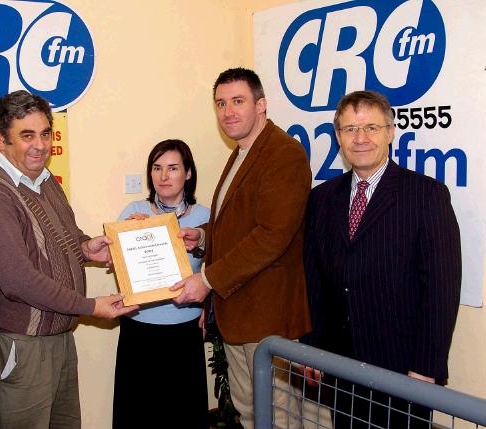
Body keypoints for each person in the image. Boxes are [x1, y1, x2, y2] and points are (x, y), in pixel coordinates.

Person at [0, 90, 137, 429]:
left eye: (45, 133)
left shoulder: (41, 178)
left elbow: (57, 237)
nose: (40, 145)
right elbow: (18, 280)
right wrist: (91, 306)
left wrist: (85, 249)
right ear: (1, 139)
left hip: (58, 336)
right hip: (24, 346)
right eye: (27, 135)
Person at [302, 90, 462, 428]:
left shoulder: (426, 196)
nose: (360, 139)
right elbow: (314, 283)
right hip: (341, 368)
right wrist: (313, 348)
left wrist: (426, 368)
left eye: (372, 128)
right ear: (338, 137)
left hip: (403, 371)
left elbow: (441, 290)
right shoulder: (321, 199)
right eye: (350, 130)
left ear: (390, 132)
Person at [171, 67, 313, 429]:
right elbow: (240, 222)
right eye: (221, 103)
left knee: (279, 418)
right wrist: (202, 237)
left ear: (261, 104)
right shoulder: (242, 152)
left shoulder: (284, 154)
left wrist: (208, 280)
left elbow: (271, 235)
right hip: (238, 314)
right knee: (250, 413)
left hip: (269, 317)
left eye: (238, 101)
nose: (228, 112)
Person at [112, 139, 210, 429]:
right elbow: (118, 267)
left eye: (172, 168)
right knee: (138, 415)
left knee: (183, 415)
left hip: (184, 331)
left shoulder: (205, 218)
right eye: (157, 168)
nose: (163, 176)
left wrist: (208, 304)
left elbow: (217, 271)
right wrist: (131, 234)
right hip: (140, 330)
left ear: (188, 173)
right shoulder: (134, 211)